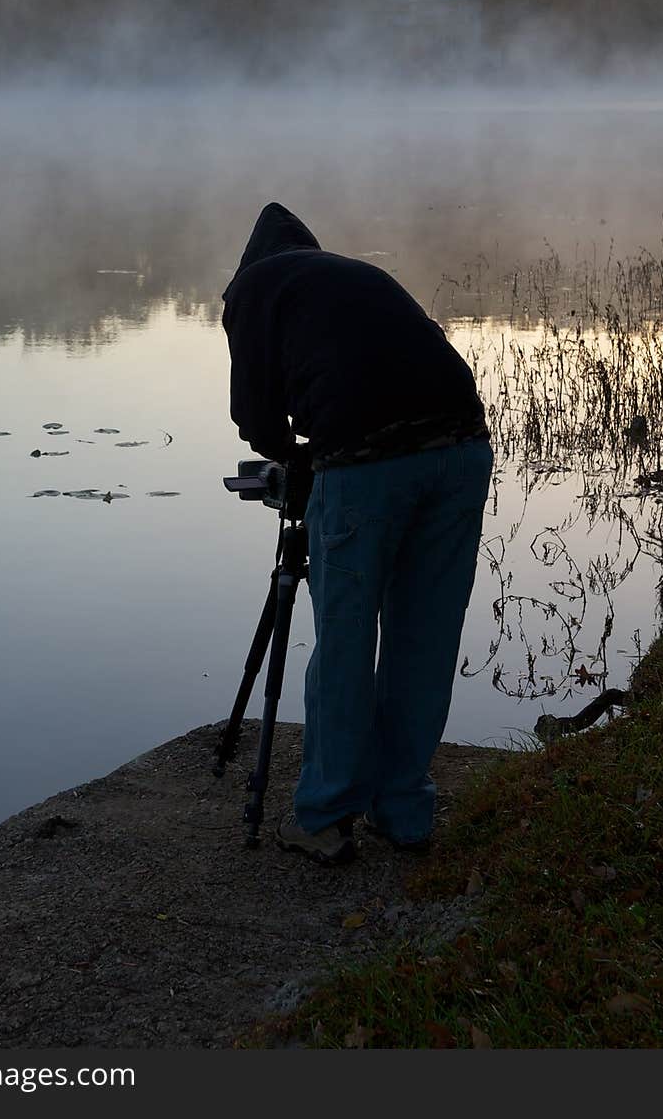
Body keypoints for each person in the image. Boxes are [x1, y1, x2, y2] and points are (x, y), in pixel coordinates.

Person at [222, 202, 493, 864]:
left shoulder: (252, 291)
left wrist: (297, 462)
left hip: (369, 465)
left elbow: (255, 419)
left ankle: (324, 815)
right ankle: (404, 813)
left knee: (344, 641)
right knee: (423, 635)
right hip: (462, 449)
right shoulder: (354, 277)